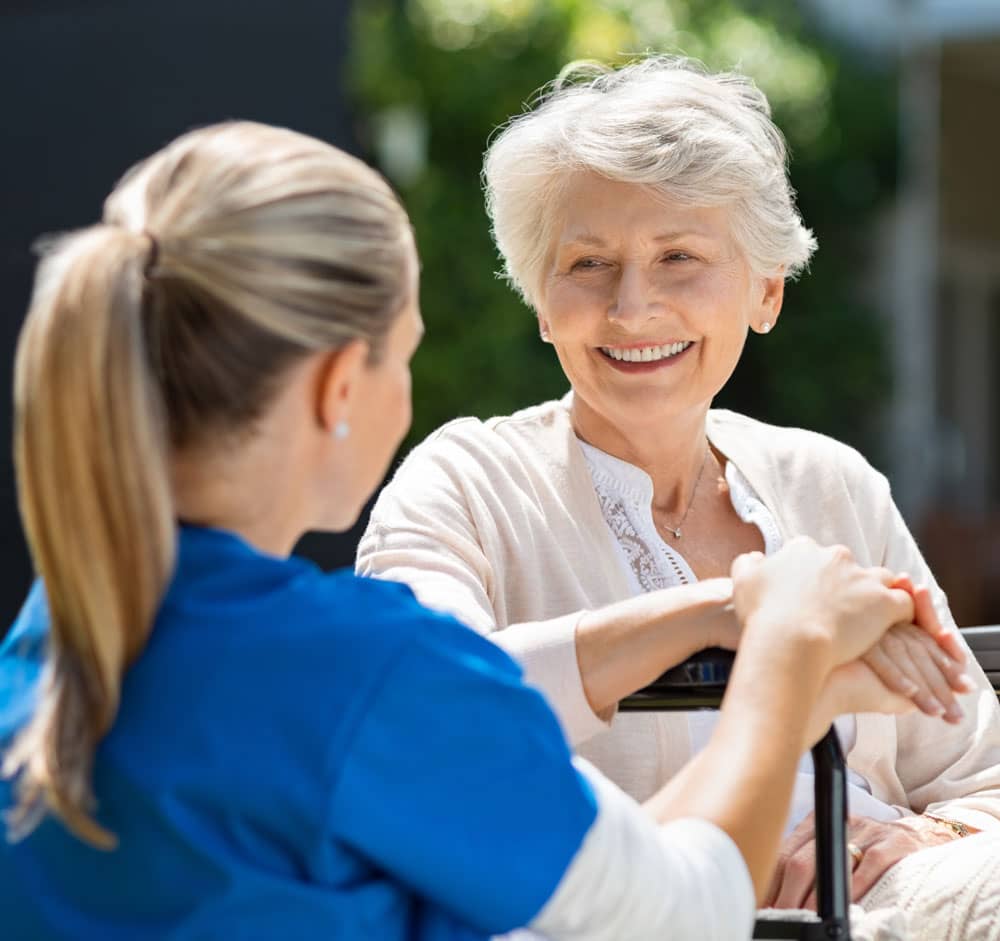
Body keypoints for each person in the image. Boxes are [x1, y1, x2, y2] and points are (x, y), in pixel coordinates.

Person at [0, 120, 940, 940]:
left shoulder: (53, 639)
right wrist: (783, 647)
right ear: (338, 386)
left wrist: (727, 627)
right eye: (405, 352)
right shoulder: (366, 678)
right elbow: (683, 912)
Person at [356, 55, 1000, 910]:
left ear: (765, 290)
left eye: (679, 257)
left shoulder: (829, 481)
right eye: (587, 264)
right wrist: (730, 611)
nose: (631, 307)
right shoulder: (465, 481)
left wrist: (911, 836)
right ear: (542, 303)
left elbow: (979, 776)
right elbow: (426, 707)